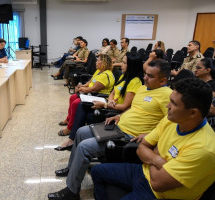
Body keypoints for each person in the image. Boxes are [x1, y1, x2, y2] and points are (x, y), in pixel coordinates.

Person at [48, 59, 172, 200]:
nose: (144, 78)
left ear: (162, 81)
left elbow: (169, 123)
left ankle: (72, 191)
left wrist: (149, 134)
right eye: (145, 74)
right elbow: (133, 108)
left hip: (129, 135)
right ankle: (72, 169)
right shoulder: (144, 88)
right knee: (81, 132)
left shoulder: (167, 95)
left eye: (150, 76)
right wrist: (119, 116)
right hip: (118, 126)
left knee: (84, 147)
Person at [91, 78, 215, 200]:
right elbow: (142, 147)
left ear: (193, 113)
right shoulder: (172, 120)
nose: (167, 107)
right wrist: (158, 158)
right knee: (96, 171)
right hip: (144, 172)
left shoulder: (204, 149)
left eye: (173, 103)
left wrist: (154, 150)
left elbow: (157, 184)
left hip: (160, 195)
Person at [55, 52, 143, 151]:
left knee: (81, 107)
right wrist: (110, 100)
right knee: (81, 105)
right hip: (109, 103)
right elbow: (112, 92)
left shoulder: (135, 82)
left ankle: (72, 138)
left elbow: (124, 106)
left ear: (132, 66)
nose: (120, 65)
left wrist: (106, 105)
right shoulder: (124, 76)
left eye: (124, 63)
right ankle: (73, 138)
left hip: (116, 111)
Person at [57, 54, 115, 137]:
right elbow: (90, 82)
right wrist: (82, 86)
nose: (96, 62)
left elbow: (94, 89)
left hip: (99, 97)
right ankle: (68, 119)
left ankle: (70, 128)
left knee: (76, 103)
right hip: (91, 94)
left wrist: (81, 89)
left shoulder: (105, 75)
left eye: (98, 61)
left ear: (104, 63)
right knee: (72, 97)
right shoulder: (99, 71)